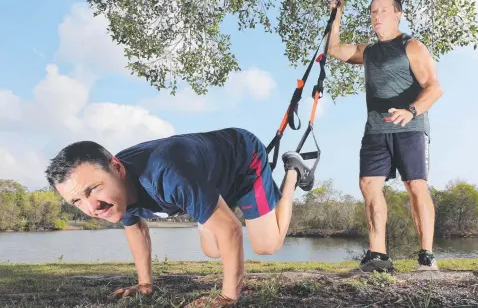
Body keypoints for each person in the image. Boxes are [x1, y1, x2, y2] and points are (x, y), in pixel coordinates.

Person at [45, 127, 313, 307]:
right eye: (77, 201)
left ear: (117, 168)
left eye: (93, 190)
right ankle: (211, 201)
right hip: (207, 176)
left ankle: (293, 172)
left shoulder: (164, 175)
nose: (92, 207)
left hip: (243, 160)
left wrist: (227, 298)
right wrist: (144, 284)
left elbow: (231, 229)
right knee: (212, 250)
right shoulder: (116, 195)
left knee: (267, 245)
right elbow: (135, 229)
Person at [327, 0, 443, 272]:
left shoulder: (412, 46)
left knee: (415, 186)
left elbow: (435, 88)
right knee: (368, 184)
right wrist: (336, 16)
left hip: (411, 127)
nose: (377, 16)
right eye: (373, 12)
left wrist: (411, 110)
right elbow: (334, 49)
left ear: (397, 14)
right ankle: (378, 256)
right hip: (376, 130)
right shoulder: (368, 52)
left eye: (383, 10)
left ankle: (426, 256)